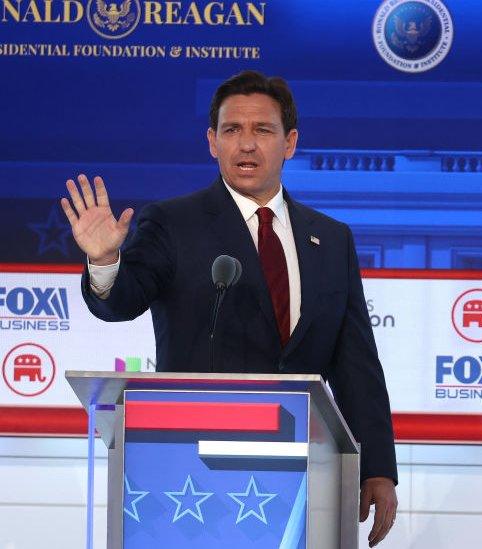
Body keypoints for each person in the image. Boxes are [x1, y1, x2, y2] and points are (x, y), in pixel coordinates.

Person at [60, 70, 397, 546]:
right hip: (191, 475)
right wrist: (104, 260)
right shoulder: (174, 223)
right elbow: (120, 303)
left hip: (305, 475)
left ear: (290, 142)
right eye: (232, 130)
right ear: (212, 142)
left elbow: (355, 362)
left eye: (262, 130)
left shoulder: (331, 239)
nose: (246, 145)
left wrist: (379, 468)